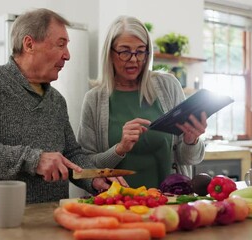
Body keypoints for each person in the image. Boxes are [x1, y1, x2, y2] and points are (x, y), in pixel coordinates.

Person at [0, 8, 126, 210]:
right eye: (61, 44)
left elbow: (71, 155)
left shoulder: (56, 100)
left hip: (51, 218)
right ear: (29, 44)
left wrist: (95, 179)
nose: (67, 55)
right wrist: (33, 160)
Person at [76, 16, 207, 189]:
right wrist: (119, 149)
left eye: (140, 51)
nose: (134, 59)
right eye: (125, 51)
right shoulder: (94, 99)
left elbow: (190, 159)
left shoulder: (168, 86)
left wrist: (191, 141)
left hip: (169, 201)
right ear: (110, 53)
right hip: (118, 204)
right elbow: (85, 166)